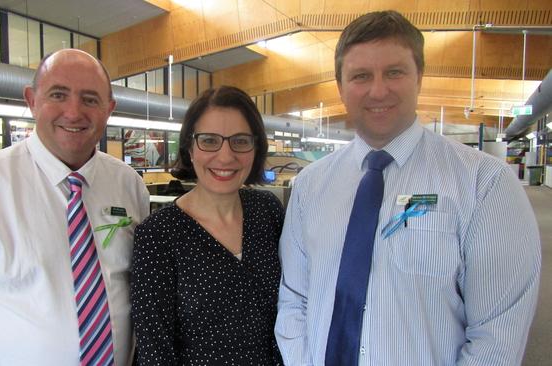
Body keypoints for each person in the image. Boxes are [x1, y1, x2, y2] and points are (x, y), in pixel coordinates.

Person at [275, 10, 541, 366]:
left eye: (394, 72)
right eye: (361, 76)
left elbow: (498, 333)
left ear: (419, 78)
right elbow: (294, 299)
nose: (378, 90)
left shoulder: (484, 183)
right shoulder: (310, 186)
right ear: (340, 87)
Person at [0, 49, 150, 365]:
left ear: (109, 109)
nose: (74, 111)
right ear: (32, 101)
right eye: (58, 95)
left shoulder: (128, 184)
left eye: (90, 99)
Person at [131, 86, 284, 365]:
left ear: (255, 147)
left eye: (240, 141)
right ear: (190, 149)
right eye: (210, 140)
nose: (225, 156)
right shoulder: (158, 236)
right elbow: (155, 352)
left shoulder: (268, 212)